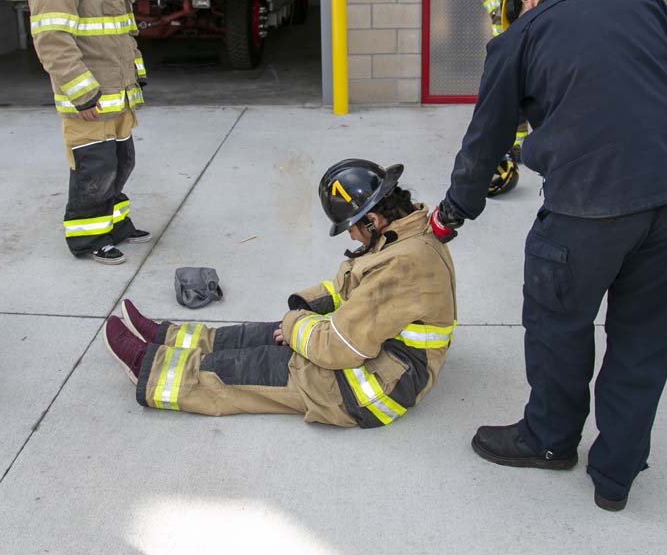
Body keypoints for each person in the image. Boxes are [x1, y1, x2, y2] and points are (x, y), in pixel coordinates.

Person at [430, 0, 667, 511]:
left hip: (588, 207)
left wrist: (451, 214)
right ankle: (617, 475)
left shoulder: (521, 36)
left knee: (559, 322)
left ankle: (548, 440)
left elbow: (485, 140)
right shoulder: (646, 7)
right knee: (646, 334)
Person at [102, 159, 457, 428]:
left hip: (374, 386)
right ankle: (166, 337)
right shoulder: (404, 236)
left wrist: (295, 327)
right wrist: (304, 310)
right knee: (263, 334)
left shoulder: (405, 263)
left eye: (351, 228)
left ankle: (149, 369)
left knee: (257, 366)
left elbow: (339, 347)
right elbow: (357, 292)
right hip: (380, 353)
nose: (351, 237)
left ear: (373, 220)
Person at [29, 0, 150, 265]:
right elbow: (51, 36)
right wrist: (81, 93)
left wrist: (136, 74)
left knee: (120, 162)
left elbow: (121, 30)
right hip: (90, 100)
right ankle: (87, 240)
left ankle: (114, 225)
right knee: (93, 170)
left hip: (118, 93)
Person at [477, 0, 589, 197]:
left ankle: (554, 145)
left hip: (560, 28)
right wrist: (498, 15)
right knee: (513, 87)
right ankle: (513, 148)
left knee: (555, 86)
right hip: (517, 25)